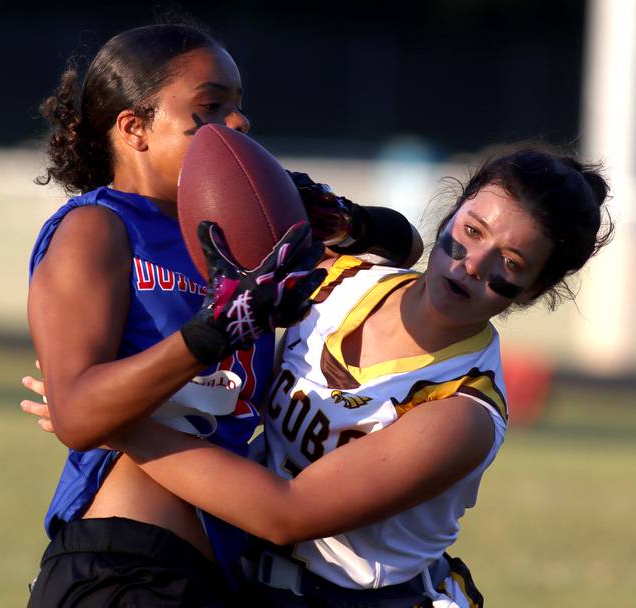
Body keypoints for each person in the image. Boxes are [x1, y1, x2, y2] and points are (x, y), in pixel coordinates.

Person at [26, 148, 612, 606]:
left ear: (534, 290)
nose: (471, 264)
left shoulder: (464, 411)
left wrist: (112, 420)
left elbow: (287, 511)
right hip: (242, 569)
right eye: (473, 229)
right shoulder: (340, 279)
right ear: (454, 210)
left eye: (510, 265)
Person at [24, 23, 421, 608]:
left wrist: (342, 218)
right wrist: (212, 332)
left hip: (223, 565)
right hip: (125, 563)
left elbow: (405, 247)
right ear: (135, 128)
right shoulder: (98, 228)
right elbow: (79, 414)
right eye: (210, 108)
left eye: (238, 106)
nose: (238, 123)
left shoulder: (236, 230)